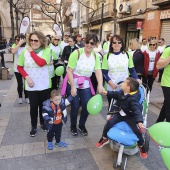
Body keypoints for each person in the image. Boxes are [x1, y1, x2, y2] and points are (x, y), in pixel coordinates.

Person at [62, 33, 105, 136]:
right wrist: (72, 87)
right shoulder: (76, 53)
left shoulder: (95, 56)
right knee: (75, 106)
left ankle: (81, 125)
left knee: (86, 106)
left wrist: (100, 84)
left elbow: (98, 71)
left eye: (92, 43)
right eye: (87, 42)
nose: (89, 45)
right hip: (73, 82)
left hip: (85, 85)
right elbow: (69, 71)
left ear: (95, 45)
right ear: (83, 42)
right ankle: (73, 126)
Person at [96, 77, 148, 159]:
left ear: (128, 87)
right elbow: (116, 95)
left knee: (137, 131)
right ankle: (104, 138)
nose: (122, 84)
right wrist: (107, 93)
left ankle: (141, 146)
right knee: (108, 123)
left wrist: (139, 121)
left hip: (130, 116)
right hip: (120, 114)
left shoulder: (133, 99)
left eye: (124, 83)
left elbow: (137, 110)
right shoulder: (123, 92)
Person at [17, 31, 51, 137]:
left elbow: (41, 63)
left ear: (41, 41)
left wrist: (31, 52)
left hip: (44, 84)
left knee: (43, 106)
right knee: (33, 106)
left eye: (36, 40)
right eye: (31, 40)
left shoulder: (47, 50)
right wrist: (26, 77)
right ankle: (33, 126)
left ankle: (42, 123)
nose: (33, 42)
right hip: (31, 85)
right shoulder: (24, 52)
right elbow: (19, 67)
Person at [102, 34, 140, 108]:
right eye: (114, 42)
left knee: (125, 107)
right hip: (112, 87)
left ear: (122, 44)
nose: (117, 44)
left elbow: (132, 70)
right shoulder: (107, 57)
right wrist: (111, 84)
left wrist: (137, 79)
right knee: (112, 107)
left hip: (125, 86)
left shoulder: (127, 55)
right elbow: (104, 73)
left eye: (119, 42)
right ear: (111, 44)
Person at [11, 34, 29, 104]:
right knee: (20, 83)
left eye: (18, 39)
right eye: (16, 39)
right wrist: (19, 44)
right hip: (17, 68)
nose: (16, 41)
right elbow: (13, 51)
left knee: (26, 83)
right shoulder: (14, 46)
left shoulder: (27, 46)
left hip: (26, 68)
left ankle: (27, 97)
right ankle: (20, 97)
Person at [156, 45, 170, 123]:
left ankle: (158, 123)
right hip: (168, 83)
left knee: (167, 104)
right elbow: (158, 65)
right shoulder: (168, 50)